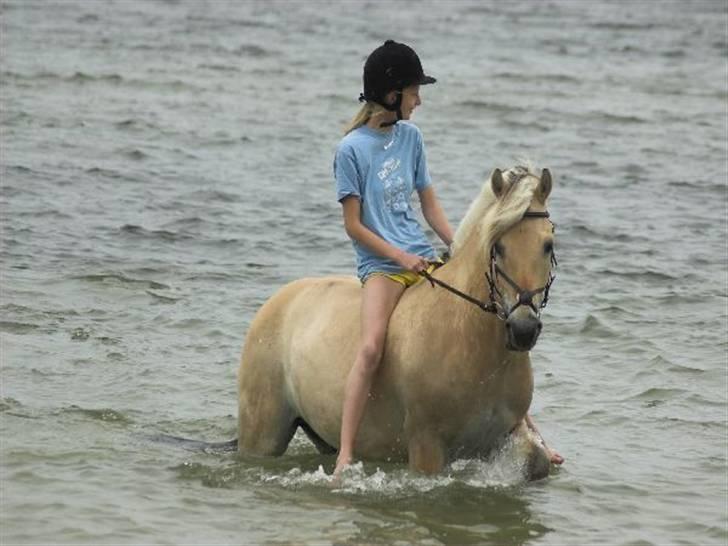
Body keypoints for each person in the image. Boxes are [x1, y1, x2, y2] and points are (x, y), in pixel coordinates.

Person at [332, 40, 561, 477]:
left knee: (494, 323)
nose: (419, 99)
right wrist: (399, 257)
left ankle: (531, 432)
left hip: (421, 258)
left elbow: (429, 206)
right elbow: (354, 226)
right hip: (382, 267)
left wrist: (462, 249)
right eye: (414, 91)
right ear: (390, 93)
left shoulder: (411, 138)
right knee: (370, 348)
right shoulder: (351, 150)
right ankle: (344, 452)